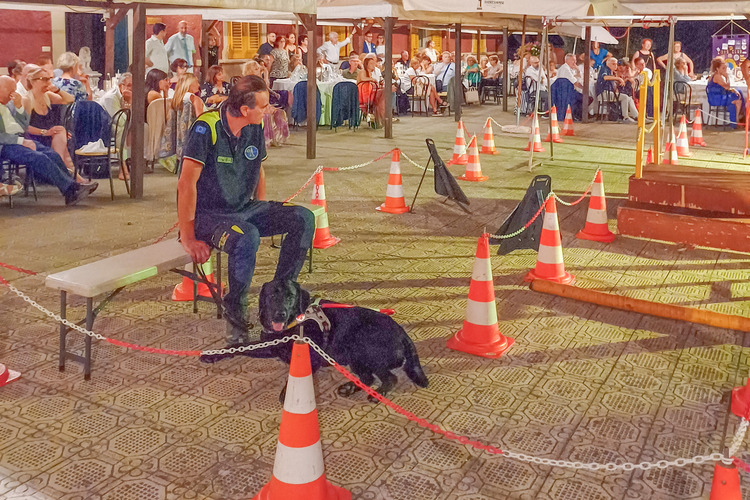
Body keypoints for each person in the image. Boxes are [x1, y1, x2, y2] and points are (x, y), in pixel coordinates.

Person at [177, 75, 314, 348]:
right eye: (262, 106)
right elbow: (186, 184)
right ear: (244, 110)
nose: (268, 111)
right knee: (247, 236)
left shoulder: (254, 127)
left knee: (304, 218)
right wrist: (188, 236)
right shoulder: (206, 128)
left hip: (245, 209)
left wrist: (263, 208)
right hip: (209, 217)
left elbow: (257, 168)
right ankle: (236, 317)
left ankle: (279, 298)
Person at [0, 76, 97, 205]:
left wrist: (19, 108)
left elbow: (23, 126)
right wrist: (21, 141)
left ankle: (73, 187)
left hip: (19, 138)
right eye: (11, 90)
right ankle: (70, 190)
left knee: (52, 154)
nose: (14, 93)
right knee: (40, 157)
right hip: (6, 145)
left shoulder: (8, 104)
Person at [23, 67, 82, 181]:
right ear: (33, 81)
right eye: (44, 79)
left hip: (52, 136)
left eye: (49, 79)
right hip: (36, 138)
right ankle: (65, 172)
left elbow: (70, 100)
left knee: (60, 131)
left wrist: (57, 90)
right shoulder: (27, 100)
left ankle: (59, 169)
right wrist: (45, 132)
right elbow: (24, 127)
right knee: (60, 132)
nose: (48, 82)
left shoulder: (48, 96)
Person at [596, 57, 639, 123]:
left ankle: (637, 117)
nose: (616, 66)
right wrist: (618, 79)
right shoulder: (604, 69)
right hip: (603, 93)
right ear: (609, 64)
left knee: (629, 98)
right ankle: (625, 117)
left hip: (610, 93)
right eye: (614, 64)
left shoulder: (611, 72)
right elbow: (605, 77)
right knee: (625, 97)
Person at [707, 57, 743, 126]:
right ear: (717, 69)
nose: (725, 70)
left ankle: (737, 118)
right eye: (723, 68)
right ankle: (736, 120)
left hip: (720, 95)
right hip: (716, 98)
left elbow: (725, 88)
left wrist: (733, 90)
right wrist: (727, 77)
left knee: (738, 92)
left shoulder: (718, 75)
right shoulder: (717, 76)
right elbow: (726, 87)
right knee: (736, 99)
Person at [358, 54, 386, 125]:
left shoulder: (371, 73)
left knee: (383, 93)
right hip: (363, 96)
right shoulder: (362, 71)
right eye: (371, 63)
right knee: (382, 95)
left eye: (374, 63)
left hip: (370, 94)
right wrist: (372, 79)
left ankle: (380, 115)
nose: (373, 65)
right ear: (366, 64)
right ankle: (382, 116)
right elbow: (362, 79)